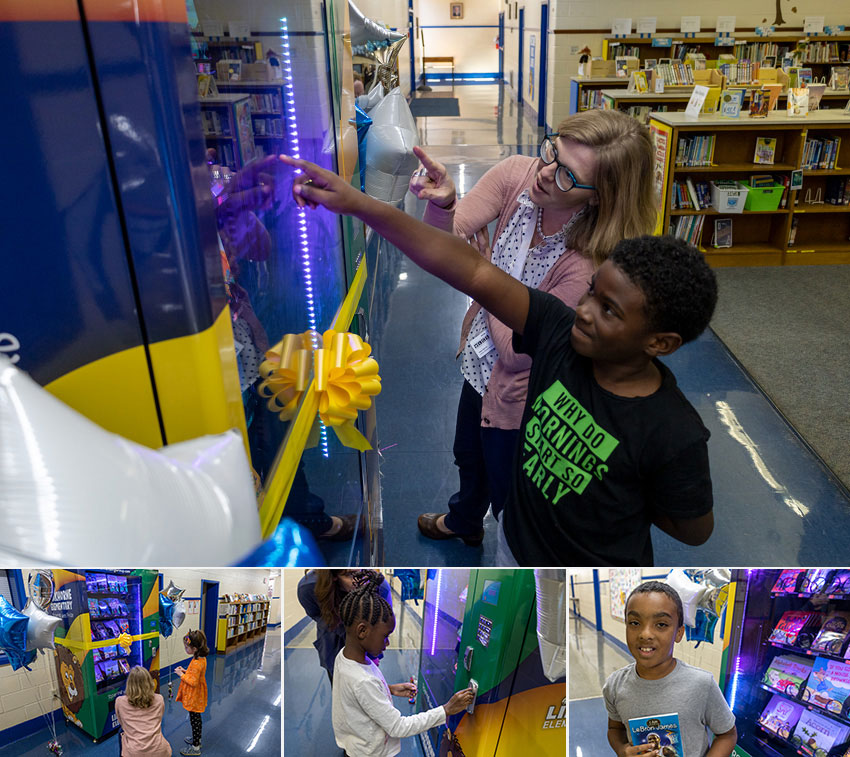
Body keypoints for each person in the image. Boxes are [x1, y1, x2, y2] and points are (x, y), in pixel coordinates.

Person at [281, 153, 717, 567]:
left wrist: (622, 488)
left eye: (609, 311)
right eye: (592, 293)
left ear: (660, 343)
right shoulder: (557, 334)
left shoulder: (673, 432)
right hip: (514, 542)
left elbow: (693, 529)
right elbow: (467, 269)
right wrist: (359, 204)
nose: (584, 311)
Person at [408, 109, 657, 547]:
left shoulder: (588, 265)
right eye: (551, 152)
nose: (545, 173)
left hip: (526, 397)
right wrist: (444, 203)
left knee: (510, 489)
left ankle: (507, 542)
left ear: (598, 197)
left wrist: (481, 273)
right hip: (479, 365)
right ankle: (464, 519)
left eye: (567, 176)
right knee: (468, 454)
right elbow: (443, 243)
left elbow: (518, 352)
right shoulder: (516, 176)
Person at [331, 571, 474, 756]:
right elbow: (398, 727)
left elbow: (357, 693)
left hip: (357, 746)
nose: (387, 643)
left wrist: (388, 689)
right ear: (362, 631)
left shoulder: (344, 657)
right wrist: (446, 710)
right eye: (385, 637)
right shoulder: (363, 682)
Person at [603, 581, 737, 757]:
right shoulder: (615, 685)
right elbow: (614, 728)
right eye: (635, 623)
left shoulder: (702, 684)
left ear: (679, 633)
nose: (645, 634)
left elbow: (727, 734)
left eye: (661, 625)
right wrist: (622, 750)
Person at [297, 569, 393, 684]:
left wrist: (372, 656)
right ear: (334, 576)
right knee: (339, 682)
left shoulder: (379, 586)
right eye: (351, 575)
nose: (361, 580)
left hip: (367, 642)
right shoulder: (308, 587)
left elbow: (382, 627)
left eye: (362, 571)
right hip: (332, 637)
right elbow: (315, 613)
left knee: (369, 680)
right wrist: (339, 627)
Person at [114, 666, 172, 757]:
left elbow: (122, 722)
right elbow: (159, 719)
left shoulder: (120, 701)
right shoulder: (159, 699)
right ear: (149, 682)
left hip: (134, 752)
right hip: (160, 750)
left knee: (121, 732)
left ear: (129, 684)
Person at [175, 629, 209, 756]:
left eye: (186, 647)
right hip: (198, 694)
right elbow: (195, 675)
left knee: (194, 721)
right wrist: (185, 671)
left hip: (195, 696)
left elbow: (193, 682)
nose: (185, 649)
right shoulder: (200, 658)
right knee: (196, 720)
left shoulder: (196, 663)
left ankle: (195, 748)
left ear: (194, 648)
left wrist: (180, 675)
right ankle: (197, 740)